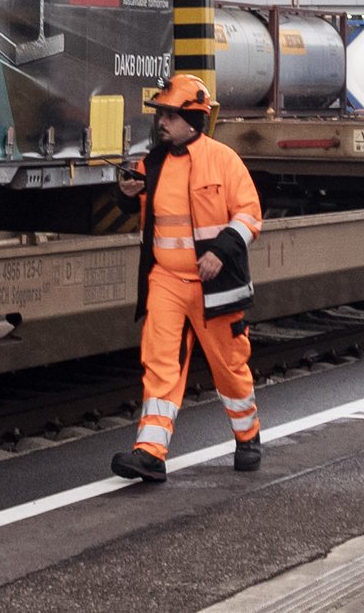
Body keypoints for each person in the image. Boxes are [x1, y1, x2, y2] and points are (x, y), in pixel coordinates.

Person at [115, 70, 265, 482]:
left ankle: (247, 437)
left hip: (214, 286)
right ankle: (150, 453)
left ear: (193, 120)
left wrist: (220, 252)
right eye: (160, 114)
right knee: (159, 364)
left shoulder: (224, 160)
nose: (161, 122)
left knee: (229, 366)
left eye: (169, 115)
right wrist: (125, 195)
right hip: (165, 280)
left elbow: (250, 216)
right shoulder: (153, 162)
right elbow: (140, 207)